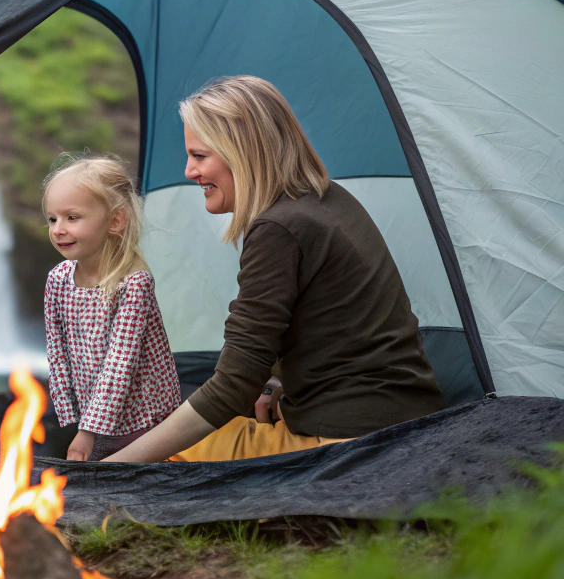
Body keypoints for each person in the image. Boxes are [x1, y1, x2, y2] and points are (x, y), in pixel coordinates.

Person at [105, 76, 445, 464]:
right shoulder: (324, 199)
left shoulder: (279, 227)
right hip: (403, 415)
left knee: (167, 452)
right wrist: (275, 384)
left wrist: (111, 472)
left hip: (353, 441)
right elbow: (333, 331)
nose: (189, 171)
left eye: (199, 156)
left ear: (241, 152)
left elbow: (232, 386)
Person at [43, 154, 182, 462]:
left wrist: (87, 431)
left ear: (115, 221)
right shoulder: (58, 279)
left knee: (139, 481)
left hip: (143, 420)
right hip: (93, 419)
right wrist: (69, 416)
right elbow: (57, 352)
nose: (58, 229)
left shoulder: (133, 283)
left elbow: (120, 364)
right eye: (52, 219)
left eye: (72, 217)